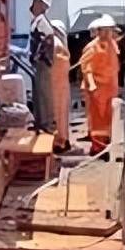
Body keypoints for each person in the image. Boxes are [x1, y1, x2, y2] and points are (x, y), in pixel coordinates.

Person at [79, 14, 119, 154]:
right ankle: (97, 148)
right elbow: (87, 68)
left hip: (110, 88)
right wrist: (92, 85)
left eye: (110, 30)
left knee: (108, 118)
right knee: (97, 119)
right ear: (99, 31)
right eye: (105, 30)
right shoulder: (92, 47)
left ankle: (106, 144)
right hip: (98, 89)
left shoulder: (112, 45)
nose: (108, 33)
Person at [27, 0, 55, 138]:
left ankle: (47, 124)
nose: (34, 5)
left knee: (44, 93)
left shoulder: (42, 21)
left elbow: (48, 38)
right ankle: (39, 122)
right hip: (38, 63)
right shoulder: (36, 21)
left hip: (43, 63)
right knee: (37, 92)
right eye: (35, 2)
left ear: (44, 5)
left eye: (38, 2)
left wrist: (38, 56)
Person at [50, 18, 72, 152]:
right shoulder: (60, 44)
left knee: (58, 114)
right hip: (61, 84)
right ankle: (64, 139)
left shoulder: (55, 44)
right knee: (63, 114)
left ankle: (59, 142)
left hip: (56, 85)